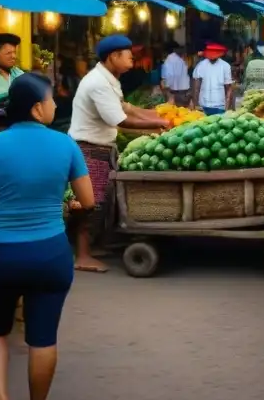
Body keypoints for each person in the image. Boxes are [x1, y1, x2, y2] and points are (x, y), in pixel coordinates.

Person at [0, 73, 95, 400]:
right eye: (50, 100)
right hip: (49, 254)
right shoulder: (66, 145)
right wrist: (66, 206)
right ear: (37, 109)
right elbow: (88, 201)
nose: (54, 105)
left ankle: (0, 399)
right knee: (43, 338)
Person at [69, 35, 169, 273]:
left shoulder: (109, 79)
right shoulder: (98, 83)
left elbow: (126, 107)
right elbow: (121, 120)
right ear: (113, 57)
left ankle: (94, 246)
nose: (132, 60)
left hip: (100, 148)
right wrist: (160, 126)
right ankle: (82, 255)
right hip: (88, 149)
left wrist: (158, 116)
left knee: (102, 201)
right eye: (128, 56)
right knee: (88, 203)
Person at [192, 43, 235, 115]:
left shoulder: (201, 65)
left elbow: (196, 87)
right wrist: (196, 105)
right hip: (209, 105)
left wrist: (195, 105)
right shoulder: (225, 66)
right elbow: (228, 89)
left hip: (215, 105)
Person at [160, 41, 192, 107]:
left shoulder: (169, 60)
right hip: (184, 91)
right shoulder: (181, 59)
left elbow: (168, 77)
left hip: (174, 92)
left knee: (174, 112)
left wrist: (167, 88)